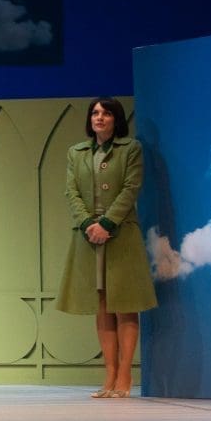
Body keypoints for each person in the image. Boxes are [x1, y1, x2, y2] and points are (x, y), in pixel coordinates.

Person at [55, 97, 157, 399]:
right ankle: (109, 373)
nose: (99, 117)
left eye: (106, 113)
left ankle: (125, 373)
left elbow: (131, 188)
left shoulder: (131, 149)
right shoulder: (76, 152)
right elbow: (71, 191)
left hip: (121, 234)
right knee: (101, 304)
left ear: (116, 119)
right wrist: (88, 223)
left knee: (125, 303)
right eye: (95, 113)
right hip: (88, 236)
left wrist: (108, 223)